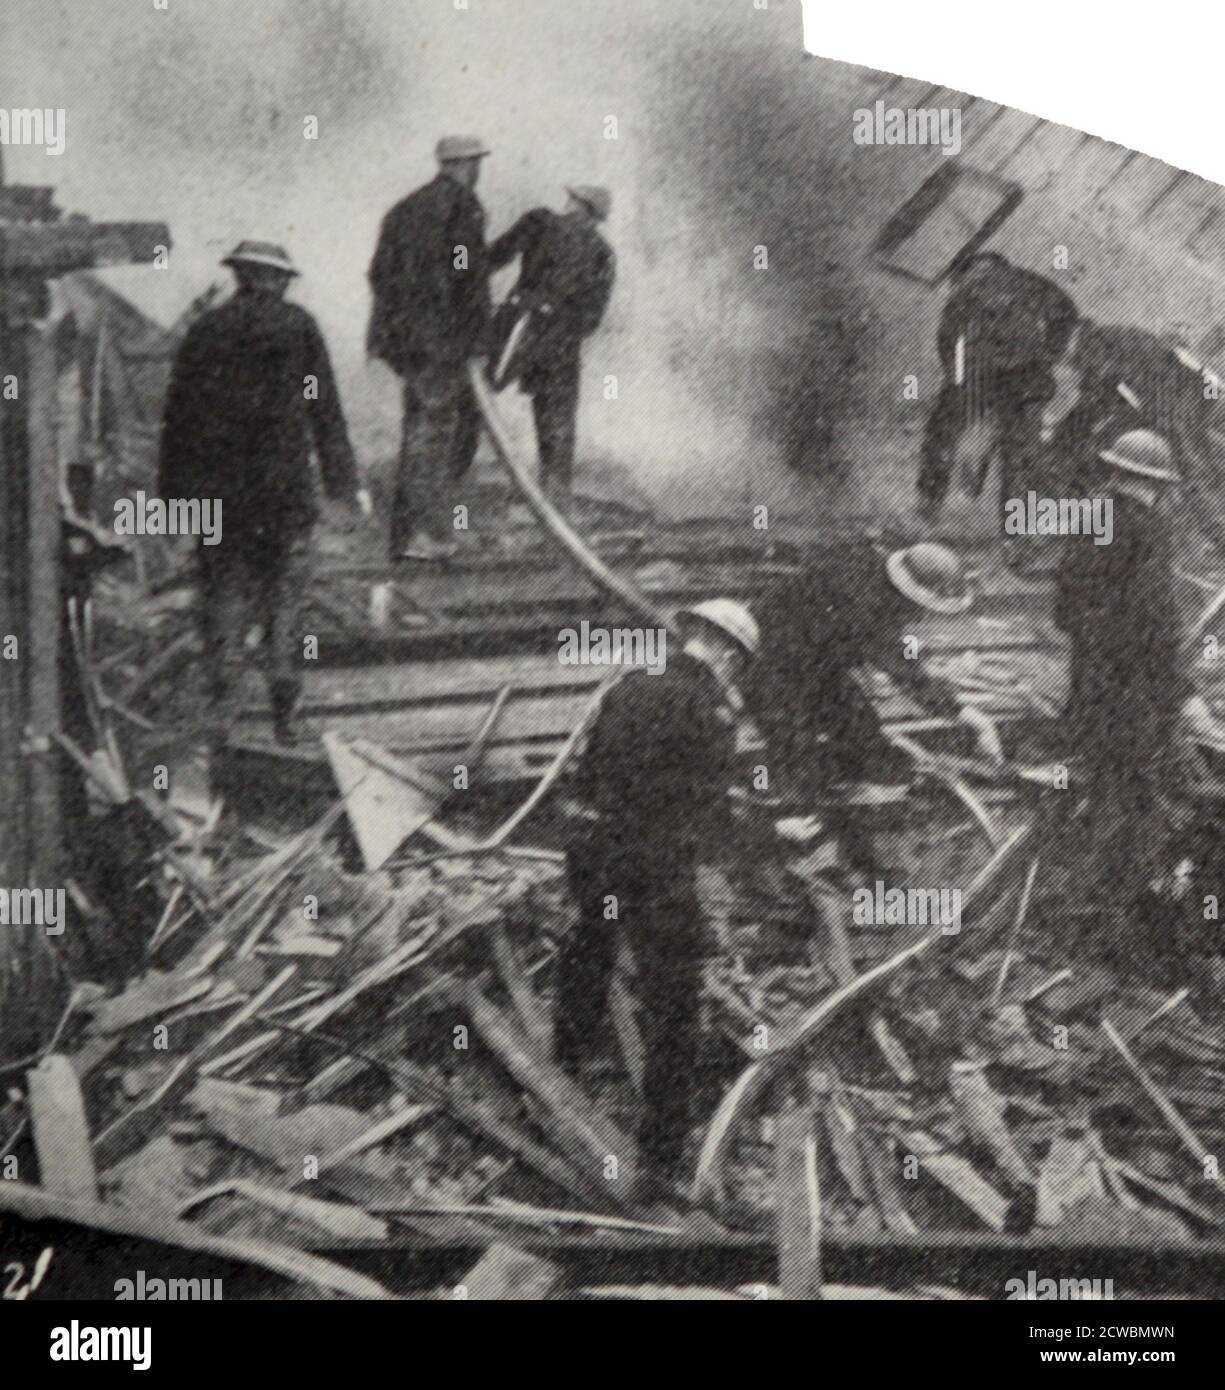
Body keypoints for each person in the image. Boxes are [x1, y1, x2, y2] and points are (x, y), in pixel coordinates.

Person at [554, 598, 759, 1189]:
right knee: (675, 999)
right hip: (656, 864)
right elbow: (711, 805)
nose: (735, 674)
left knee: (587, 951)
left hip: (597, 850)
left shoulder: (627, 686)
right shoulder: (711, 706)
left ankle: (561, 1073)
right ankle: (661, 1157)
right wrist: (759, 827)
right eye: (737, 663)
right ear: (724, 651)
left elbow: (589, 775)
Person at [158, 241, 365, 749]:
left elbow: (179, 418)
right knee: (285, 605)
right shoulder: (298, 328)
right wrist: (342, 482)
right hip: (283, 496)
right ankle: (286, 718)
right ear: (275, 280)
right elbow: (322, 404)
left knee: (225, 604)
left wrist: (173, 499)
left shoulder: (206, 332)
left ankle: (222, 720)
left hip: (223, 500)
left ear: (240, 276)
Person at [1051, 428, 1212, 931]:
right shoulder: (1150, 528)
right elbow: (1156, 621)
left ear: (1116, 472)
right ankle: (1112, 915)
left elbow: (1064, 611)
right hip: (1133, 694)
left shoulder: (1090, 517)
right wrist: (1185, 697)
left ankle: (1081, 897)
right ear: (1158, 483)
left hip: (1089, 687)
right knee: (1141, 801)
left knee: (1105, 788)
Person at [745, 541, 1002, 843]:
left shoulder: (878, 574)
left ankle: (852, 818)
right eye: (922, 608)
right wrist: (966, 714)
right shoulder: (865, 601)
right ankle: (786, 837)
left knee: (863, 729)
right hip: (768, 664)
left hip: (816, 661)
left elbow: (896, 655)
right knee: (797, 753)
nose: (921, 616)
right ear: (909, 593)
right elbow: (904, 669)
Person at [367, 135, 492, 561]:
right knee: (435, 434)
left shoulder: (404, 209)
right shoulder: (462, 206)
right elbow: (464, 269)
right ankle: (426, 533)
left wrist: (402, 327)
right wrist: (474, 336)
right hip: (442, 341)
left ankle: (407, 536)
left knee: (419, 429)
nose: (479, 171)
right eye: (477, 164)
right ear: (466, 165)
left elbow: (379, 274)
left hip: (406, 342)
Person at [917, 252, 1077, 524]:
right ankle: (1014, 528)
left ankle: (928, 504)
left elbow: (948, 339)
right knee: (1019, 453)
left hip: (979, 374)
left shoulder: (968, 289)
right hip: (1028, 377)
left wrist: (955, 380)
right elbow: (1067, 312)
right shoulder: (1032, 282)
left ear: (972, 269)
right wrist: (1050, 353)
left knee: (943, 432)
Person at [487, 185, 615, 509]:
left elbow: (492, 258)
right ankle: (554, 505)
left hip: (515, 326)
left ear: (574, 203)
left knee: (470, 398)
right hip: (561, 343)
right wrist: (560, 323)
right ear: (596, 217)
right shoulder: (604, 253)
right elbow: (592, 319)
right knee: (557, 423)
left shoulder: (540, 221)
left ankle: (443, 491)